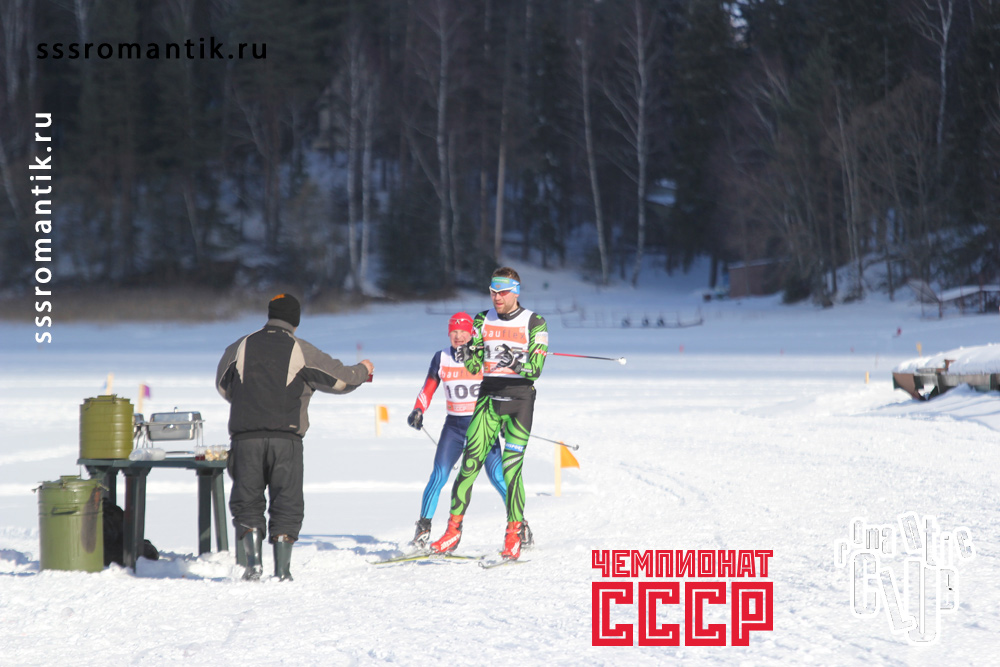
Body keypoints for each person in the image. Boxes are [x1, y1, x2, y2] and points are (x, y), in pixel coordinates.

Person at [216, 293, 373, 581]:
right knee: (286, 502)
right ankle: (282, 571)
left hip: (245, 438)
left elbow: (223, 386)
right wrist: (363, 369)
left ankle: (253, 565)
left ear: (269, 315)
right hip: (285, 441)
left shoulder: (240, 346)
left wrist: (250, 403)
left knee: (247, 501)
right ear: (295, 322)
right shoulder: (300, 349)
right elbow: (341, 380)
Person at [430, 267, 547, 560]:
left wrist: (513, 361)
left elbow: (535, 370)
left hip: (520, 401)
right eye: (493, 292)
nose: (497, 297)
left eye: (502, 292)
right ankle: (452, 531)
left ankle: (514, 534)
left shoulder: (534, 322)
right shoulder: (482, 320)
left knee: (511, 469)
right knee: (469, 465)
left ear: (515, 292)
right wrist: (467, 353)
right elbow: (474, 367)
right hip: (488, 398)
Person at [405, 312, 507, 548]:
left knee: (497, 477)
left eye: (463, 332)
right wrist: (418, 410)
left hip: (483, 425)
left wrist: (503, 419)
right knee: (438, 475)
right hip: (454, 427)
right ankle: (423, 528)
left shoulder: (483, 356)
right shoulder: (441, 357)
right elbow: (428, 388)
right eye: (454, 332)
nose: (458, 336)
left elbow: (500, 389)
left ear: (472, 333)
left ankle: (519, 525)